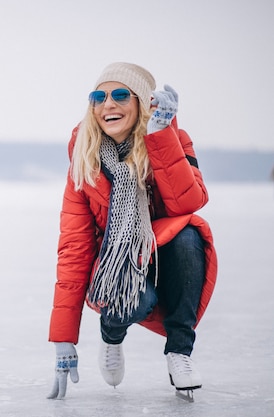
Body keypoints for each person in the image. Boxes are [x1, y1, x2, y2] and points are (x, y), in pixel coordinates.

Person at [46, 62, 217, 400]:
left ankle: (180, 353)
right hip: (115, 270)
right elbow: (74, 248)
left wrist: (159, 135)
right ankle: (111, 337)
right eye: (98, 97)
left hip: (166, 258)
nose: (107, 104)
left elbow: (190, 202)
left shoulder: (173, 139)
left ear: (141, 102)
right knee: (133, 301)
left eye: (121, 95)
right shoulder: (84, 163)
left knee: (190, 233)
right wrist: (63, 337)